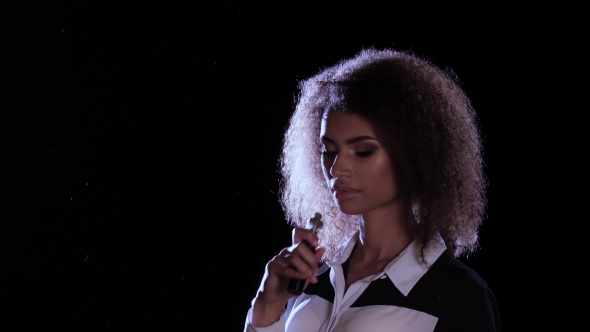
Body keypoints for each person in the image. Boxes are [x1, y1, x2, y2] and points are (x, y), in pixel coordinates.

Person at [244, 49, 500, 332]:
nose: (336, 169)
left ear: (415, 155)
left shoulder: (458, 296)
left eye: (362, 151)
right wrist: (267, 307)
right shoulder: (309, 277)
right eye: (328, 150)